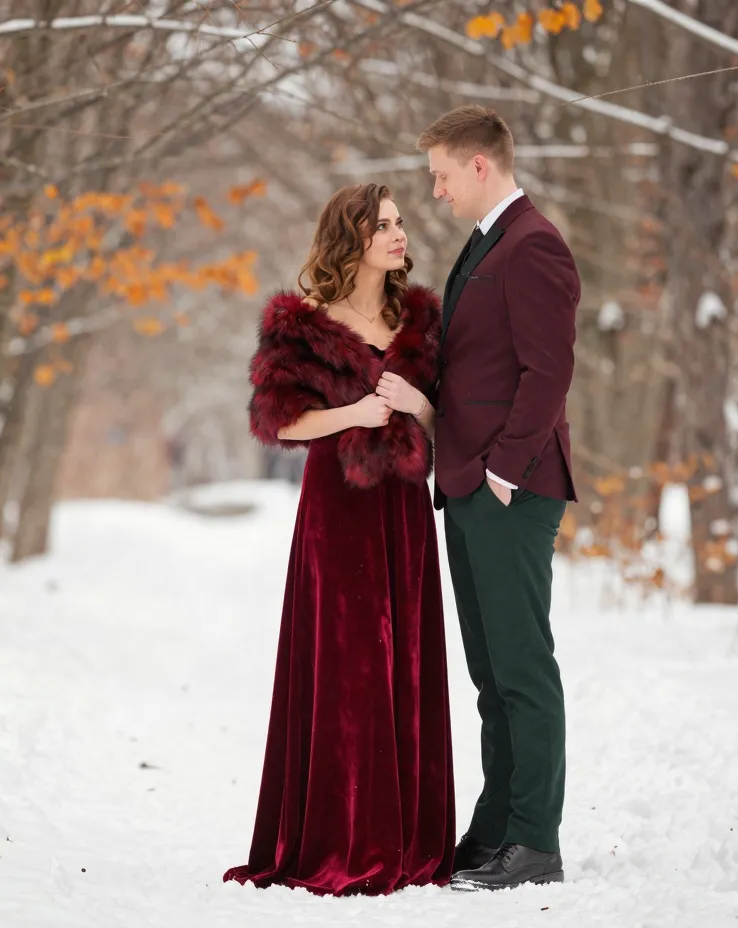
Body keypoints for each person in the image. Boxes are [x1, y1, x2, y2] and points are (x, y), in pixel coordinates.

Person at [223, 183, 455, 895]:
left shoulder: (420, 318)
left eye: (400, 222)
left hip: (406, 510)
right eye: (382, 224)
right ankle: (337, 840)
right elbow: (279, 423)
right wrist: (354, 409)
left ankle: (410, 841)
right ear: (349, 238)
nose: (398, 233)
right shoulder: (304, 324)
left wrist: (417, 404)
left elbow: (450, 415)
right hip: (339, 510)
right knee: (346, 668)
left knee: (406, 665)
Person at [416, 105, 580, 891]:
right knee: (489, 673)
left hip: (508, 486)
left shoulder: (534, 244)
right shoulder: (487, 244)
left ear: (480, 165)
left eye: (442, 176)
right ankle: (494, 830)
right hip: (468, 482)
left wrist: (504, 471)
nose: (437, 193)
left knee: (521, 667)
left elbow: (548, 372)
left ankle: (536, 842)